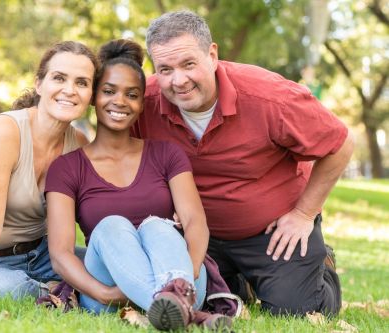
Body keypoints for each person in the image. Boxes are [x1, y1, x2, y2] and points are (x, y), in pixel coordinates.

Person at [131, 10, 355, 316]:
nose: (178, 80)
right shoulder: (144, 102)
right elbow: (125, 157)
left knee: (297, 310)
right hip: (196, 235)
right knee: (203, 302)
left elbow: (340, 144)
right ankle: (238, 281)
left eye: (188, 64)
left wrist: (304, 214)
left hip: (272, 232)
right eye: (165, 69)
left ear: (212, 55)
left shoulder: (270, 98)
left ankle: (320, 264)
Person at [44, 39, 231, 331]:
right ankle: (188, 315)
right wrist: (105, 293)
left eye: (131, 95)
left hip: (180, 277)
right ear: (94, 96)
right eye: (108, 91)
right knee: (111, 225)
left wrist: (189, 275)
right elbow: (61, 254)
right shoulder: (67, 168)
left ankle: (176, 304)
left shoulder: (166, 154)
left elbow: (195, 221)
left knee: (157, 226)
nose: (119, 101)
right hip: (107, 290)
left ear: (142, 103)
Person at [0, 41, 98, 302]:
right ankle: (57, 292)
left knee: (106, 267)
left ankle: (57, 289)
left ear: (92, 94)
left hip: (43, 256)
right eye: (59, 78)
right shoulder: (4, 132)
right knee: (4, 289)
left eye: (82, 83)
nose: (70, 90)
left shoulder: (79, 144)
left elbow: (82, 218)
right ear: (40, 84)